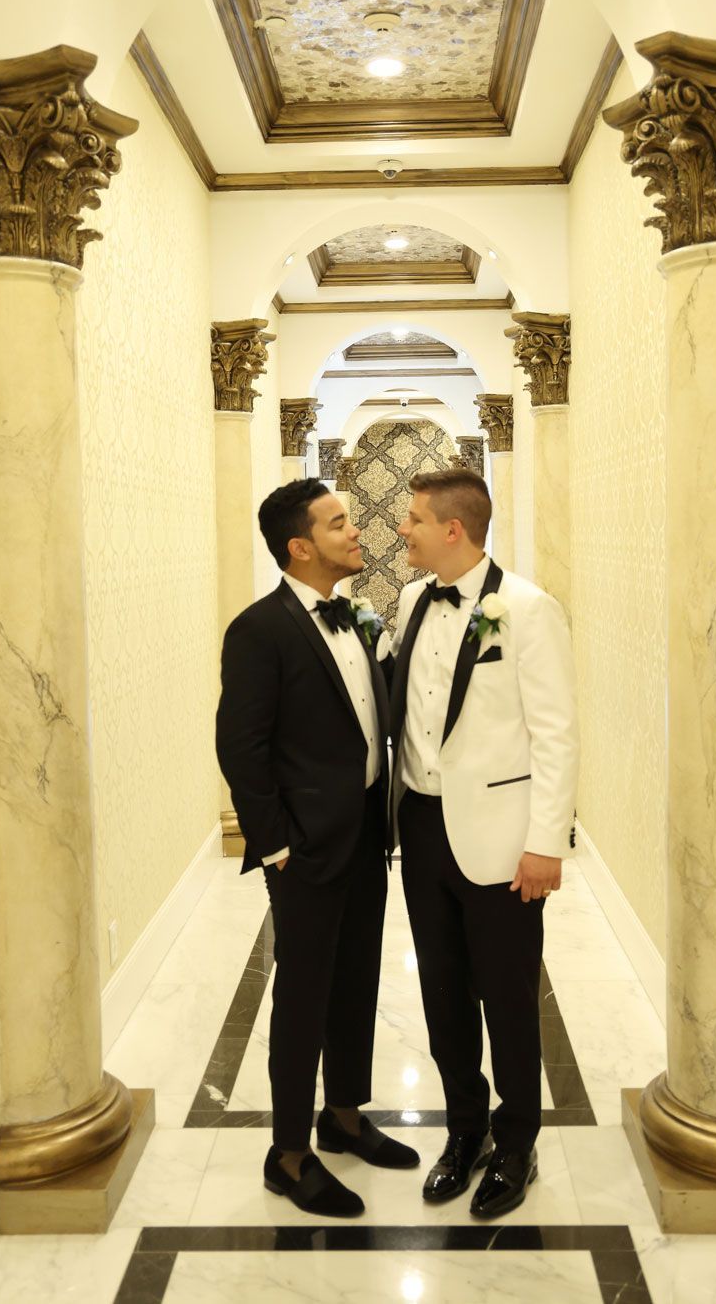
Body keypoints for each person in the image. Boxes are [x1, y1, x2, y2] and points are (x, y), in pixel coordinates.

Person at [216, 478, 418, 1219]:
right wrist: (274, 850)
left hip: (367, 834)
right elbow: (241, 748)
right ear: (301, 547)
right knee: (303, 1000)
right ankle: (289, 1153)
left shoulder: (355, 618)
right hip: (304, 851)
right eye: (339, 524)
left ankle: (345, 1116)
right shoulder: (259, 630)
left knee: (358, 978)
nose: (355, 530)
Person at [389, 467, 579, 1220]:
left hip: (502, 841)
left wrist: (547, 844)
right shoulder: (409, 599)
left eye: (411, 518)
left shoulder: (528, 610)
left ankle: (517, 1143)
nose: (400, 529)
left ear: (452, 529)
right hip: (423, 828)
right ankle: (462, 1132)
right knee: (441, 992)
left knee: (506, 996)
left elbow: (557, 733)